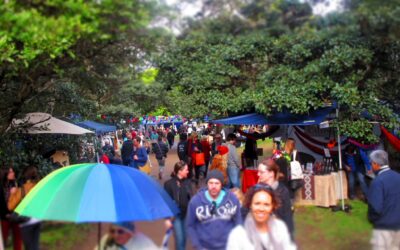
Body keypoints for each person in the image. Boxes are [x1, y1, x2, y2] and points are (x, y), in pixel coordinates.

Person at [226, 184, 296, 250]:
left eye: (266, 204)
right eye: (257, 203)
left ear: (272, 206)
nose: (261, 209)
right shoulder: (238, 234)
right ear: (250, 204)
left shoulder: (280, 230)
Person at [186, 170, 242, 250]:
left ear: (221, 184)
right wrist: (197, 245)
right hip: (204, 247)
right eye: (211, 183)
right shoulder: (196, 201)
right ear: (207, 184)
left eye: (217, 183)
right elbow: (190, 225)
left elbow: (238, 222)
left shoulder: (232, 199)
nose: (213, 186)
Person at [367, 149, 400, 250]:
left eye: (371, 163)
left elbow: (375, 208)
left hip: (384, 228)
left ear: (376, 164)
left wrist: (371, 219)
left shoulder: (378, 182)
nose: (371, 166)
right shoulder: (398, 176)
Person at [257, 159, 294, 240]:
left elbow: (287, 217)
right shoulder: (257, 190)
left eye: (261, 172)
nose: (258, 174)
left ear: (271, 173)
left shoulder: (283, 192)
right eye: (258, 171)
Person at [8, 166, 41, 250]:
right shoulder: (39, 185)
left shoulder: (22, 189)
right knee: (35, 247)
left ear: (25, 175)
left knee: (29, 247)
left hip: (26, 222)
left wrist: (12, 193)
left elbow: (10, 206)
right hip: (38, 220)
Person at [164, 161, 192, 250]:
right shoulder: (168, 184)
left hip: (186, 215)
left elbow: (191, 199)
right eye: (186, 170)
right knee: (179, 240)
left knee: (184, 239)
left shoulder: (188, 182)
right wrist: (167, 219)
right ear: (180, 171)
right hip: (176, 216)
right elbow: (166, 202)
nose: (188, 171)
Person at [1, 167, 22, 250]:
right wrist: (6, 214)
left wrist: (15, 193)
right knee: (3, 240)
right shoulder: (1, 187)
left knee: (18, 239)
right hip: (5, 217)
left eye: (13, 171)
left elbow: (20, 200)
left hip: (15, 215)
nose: (13, 173)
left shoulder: (16, 184)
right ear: (5, 174)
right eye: (10, 172)